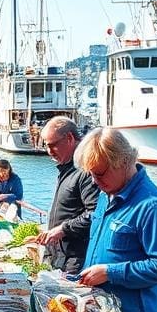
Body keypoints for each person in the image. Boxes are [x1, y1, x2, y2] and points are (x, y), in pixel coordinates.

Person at [74, 127, 157, 312]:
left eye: (100, 173)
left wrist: (110, 272)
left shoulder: (152, 206)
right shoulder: (106, 195)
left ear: (123, 162)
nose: (95, 181)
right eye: (91, 174)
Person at [35, 116, 100, 273]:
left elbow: (95, 213)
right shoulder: (66, 168)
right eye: (46, 146)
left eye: (53, 145)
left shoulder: (84, 170)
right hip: (59, 255)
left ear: (69, 138)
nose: (49, 151)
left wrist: (63, 229)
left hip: (74, 259)